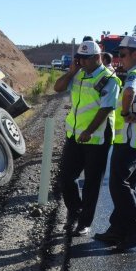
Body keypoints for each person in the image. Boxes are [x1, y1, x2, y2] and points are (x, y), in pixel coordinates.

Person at [94, 35, 136, 251]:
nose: (119, 59)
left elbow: (129, 91)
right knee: (127, 184)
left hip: (131, 139)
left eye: (122, 55)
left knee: (118, 183)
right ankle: (118, 229)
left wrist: (125, 111)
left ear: (135, 54)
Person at [53, 40, 120, 236]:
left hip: (97, 137)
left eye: (85, 59)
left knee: (91, 182)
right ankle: (75, 210)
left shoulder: (109, 79)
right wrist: (72, 71)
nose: (81, 62)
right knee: (66, 178)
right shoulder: (79, 74)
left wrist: (89, 131)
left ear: (97, 58)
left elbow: (106, 108)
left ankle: (84, 222)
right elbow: (58, 88)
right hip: (74, 134)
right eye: (79, 58)